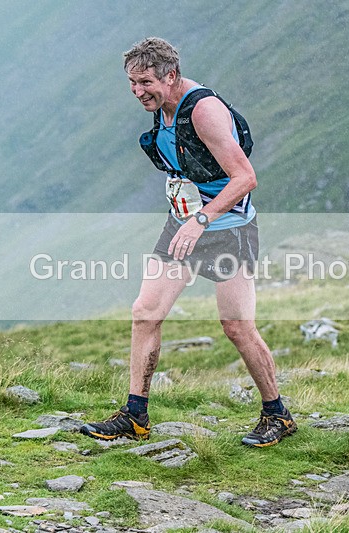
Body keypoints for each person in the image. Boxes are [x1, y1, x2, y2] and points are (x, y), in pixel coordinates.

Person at [80, 37, 296, 448]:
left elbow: (245, 178)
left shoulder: (203, 111)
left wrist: (201, 220)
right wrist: (189, 218)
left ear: (171, 75)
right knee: (146, 312)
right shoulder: (162, 108)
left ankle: (277, 414)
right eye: (132, 83)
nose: (137, 91)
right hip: (183, 224)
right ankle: (135, 415)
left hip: (227, 228)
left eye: (145, 82)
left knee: (237, 327)